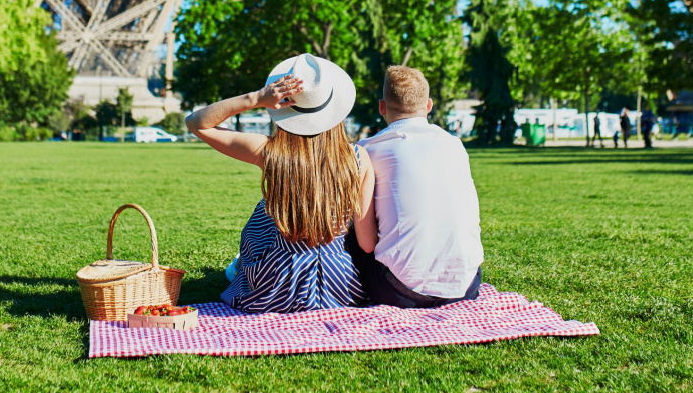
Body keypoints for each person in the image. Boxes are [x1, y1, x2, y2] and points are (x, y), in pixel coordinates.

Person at [185, 53, 377, 313]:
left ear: (284, 105)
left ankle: (242, 266)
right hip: (339, 285)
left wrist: (255, 98)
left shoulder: (269, 151)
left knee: (264, 211)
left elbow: (197, 123)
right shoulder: (358, 158)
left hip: (275, 285)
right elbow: (367, 243)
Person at [346, 66, 483, 308]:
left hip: (400, 291)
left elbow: (366, 244)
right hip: (466, 285)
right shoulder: (454, 145)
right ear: (428, 105)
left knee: (348, 230)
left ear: (382, 107)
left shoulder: (368, 150)